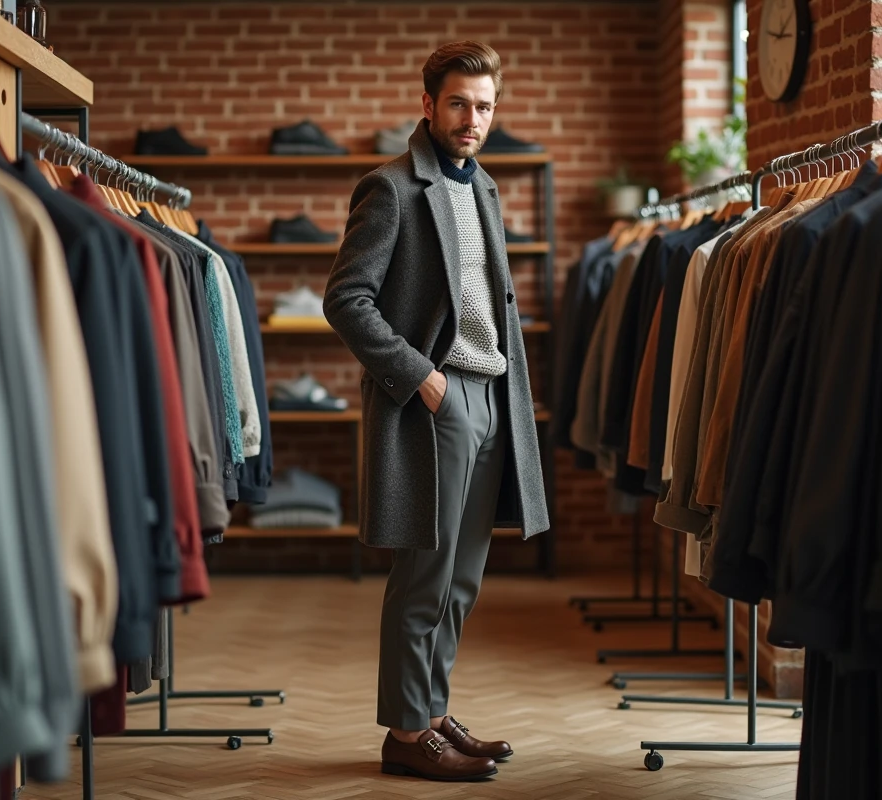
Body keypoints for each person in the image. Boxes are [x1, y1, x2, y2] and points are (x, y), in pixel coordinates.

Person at [323, 41, 550, 782]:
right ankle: (405, 732)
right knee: (424, 575)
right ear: (428, 105)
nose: (471, 119)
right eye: (458, 103)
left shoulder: (484, 187)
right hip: (437, 400)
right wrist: (422, 380)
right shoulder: (391, 188)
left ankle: (432, 711)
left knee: (462, 581)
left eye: (484, 107)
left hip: (491, 397)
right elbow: (346, 299)